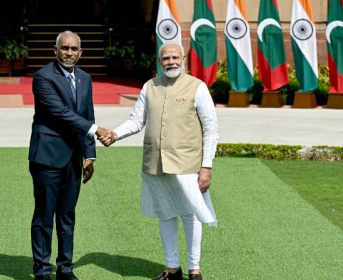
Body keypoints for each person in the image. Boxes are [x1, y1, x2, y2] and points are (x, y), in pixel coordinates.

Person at [101, 42, 219, 280]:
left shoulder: (198, 87)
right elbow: (136, 121)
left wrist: (206, 166)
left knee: (190, 214)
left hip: (188, 164)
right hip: (155, 163)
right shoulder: (149, 86)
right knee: (165, 214)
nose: (171, 62)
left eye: (175, 57)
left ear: (183, 58)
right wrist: (115, 133)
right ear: (159, 61)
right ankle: (172, 268)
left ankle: (194, 269)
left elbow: (211, 129)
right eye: (166, 58)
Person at [28, 30, 110, 280]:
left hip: (74, 159)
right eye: (64, 48)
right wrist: (98, 131)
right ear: (55, 50)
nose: (69, 53)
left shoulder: (85, 78)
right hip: (47, 157)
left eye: (74, 49)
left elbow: (87, 114)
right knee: (44, 216)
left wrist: (90, 154)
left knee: (67, 216)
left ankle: (65, 270)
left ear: (81, 52)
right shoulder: (43, 77)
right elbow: (61, 112)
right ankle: (42, 272)